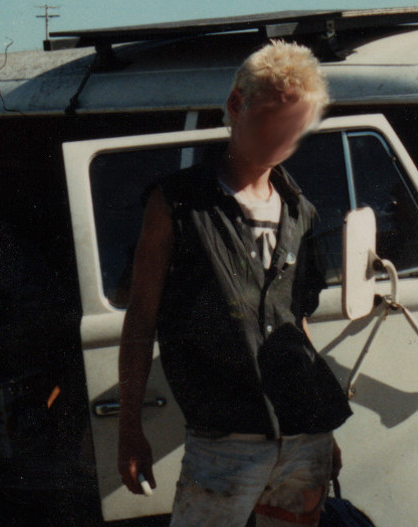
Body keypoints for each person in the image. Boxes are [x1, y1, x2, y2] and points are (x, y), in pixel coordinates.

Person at [116, 41, 352, 527]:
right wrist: (129, 426)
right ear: (235, 106)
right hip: (224, 447)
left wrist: (325, 430)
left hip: (305, 440)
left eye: (296, 126)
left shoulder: (300, 211)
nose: (282, 136)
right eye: (272, 118)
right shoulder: (176, 204)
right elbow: (140, 317)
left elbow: (295, 324)